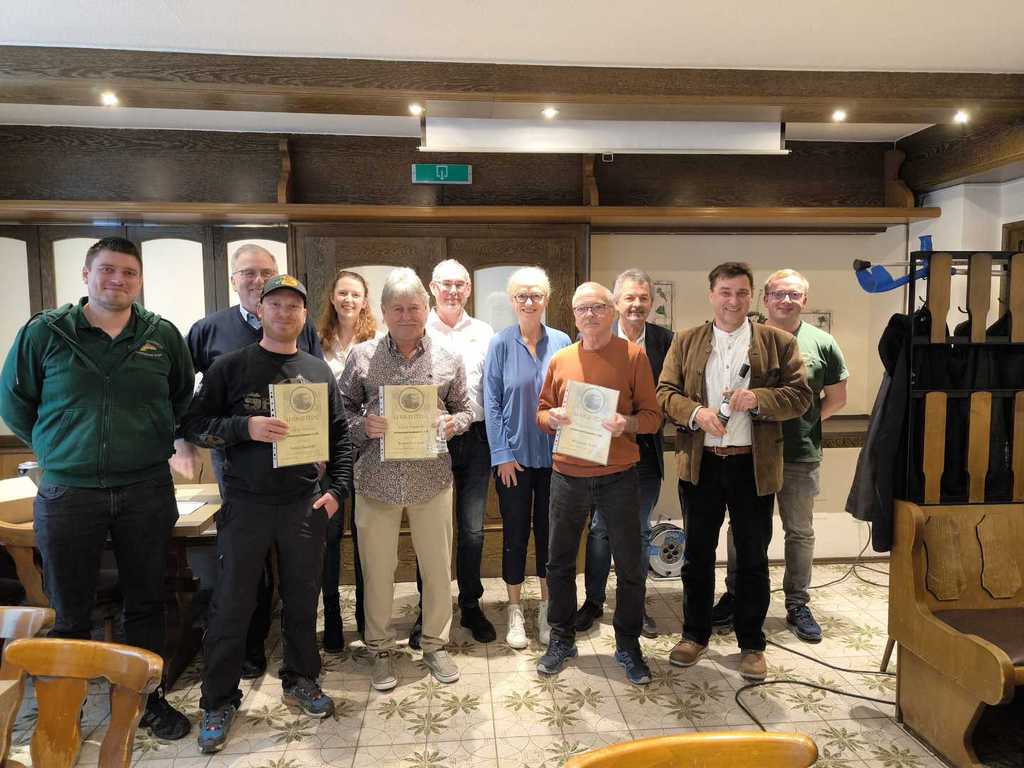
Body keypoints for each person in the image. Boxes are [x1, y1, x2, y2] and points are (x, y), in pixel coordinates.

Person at [0, 236, 195, 740]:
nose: (118, 280)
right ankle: (66, 707)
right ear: (87, 275)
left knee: (146, 602)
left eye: (129, 272)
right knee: (70, 609)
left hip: (145, 489)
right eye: (107, 269)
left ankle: (148, 700)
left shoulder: (161, 335)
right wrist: (59, 445)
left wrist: (150, 439)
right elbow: (15, 403)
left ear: (139, 281)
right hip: (69, 493)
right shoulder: (46, 333)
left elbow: (180, 398)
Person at [181, 275, 352, 754]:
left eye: (293, 306)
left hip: (303, 505)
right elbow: (193, 424)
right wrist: (246, 427)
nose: (284, 312)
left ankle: (301, 678)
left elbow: (340, 436)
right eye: (275, 304)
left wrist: (336, 490)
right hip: (246, 505)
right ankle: (218, 700)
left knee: (302, 598)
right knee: (232, 603)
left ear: (304, 315)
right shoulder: (230, 367)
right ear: (259, 310)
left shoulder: (317, 371)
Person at [172, 243, 322, 680]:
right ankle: (246, 654)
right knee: (242, 573)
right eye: (249, 273)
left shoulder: (307, 342)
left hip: (297, 476)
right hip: (240, 474)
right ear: (234, 280)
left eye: (266, 273)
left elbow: (314, 395)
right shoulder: (210, 334)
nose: (258, 281)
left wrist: (324, 465)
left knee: (297, 577)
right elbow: (184, 399)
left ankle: (297, 666)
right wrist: (183, 438)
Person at [657, 262, 811, 682]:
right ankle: (694, 635)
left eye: (742, 293)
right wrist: (697, 413)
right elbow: (665, 394)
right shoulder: (686, 341)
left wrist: (758, 399)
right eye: (725, 292)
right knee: (697, 556)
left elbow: (800, 396)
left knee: (752, 558)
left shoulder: (778, 342)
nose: (733, 300)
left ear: (752, 296)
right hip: (702, 465)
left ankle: (752, 643)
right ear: (712, 295)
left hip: (752, 467)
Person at [339, 268, 473, 692]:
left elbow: (466, 410)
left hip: (431, 480)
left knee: (436, 568)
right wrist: (363, 426)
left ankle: (435, 644)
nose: (406, 315)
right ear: (382, 311)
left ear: (426, 308)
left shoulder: (449, 358)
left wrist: (452, 424)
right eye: (397, 308)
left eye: (414, 307)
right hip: (376, 481)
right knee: (378, 570)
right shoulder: (361, 357)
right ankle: (380, 649)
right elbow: (341, 411)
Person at [711, 269, 848, 642]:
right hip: (751, 452)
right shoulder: (746, 338)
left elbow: (837, 398)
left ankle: (797, 603)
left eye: (794, 294)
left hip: (800, 454)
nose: (786, 300)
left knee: (799, 531)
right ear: (765, 299)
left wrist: (805, 421)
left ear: (805, 300)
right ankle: (736, 594)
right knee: (743, 529)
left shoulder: (822, 342)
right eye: (778, 294)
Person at [535, 282, 661, 686]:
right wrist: (551, 418)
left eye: (598, 307)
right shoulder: (561, 359)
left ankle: (627, 644)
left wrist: (628, 423)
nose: (590, 314)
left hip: (618, 476)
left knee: (629, 564)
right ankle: (561, 638)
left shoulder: (634, 356)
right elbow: (541, 413)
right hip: (567, 475)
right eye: (582, 308)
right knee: (558, 562)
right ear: (573, 315)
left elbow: (653, 417)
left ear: (612, 311)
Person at [403, 259, 496, 647]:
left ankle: (470, 605)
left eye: (460, 284)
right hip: (431, 441)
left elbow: (493, 388)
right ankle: (429, 608)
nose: (453, 291)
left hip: (476, 439)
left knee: (472, 530)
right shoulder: (418, 331)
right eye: (446, 284)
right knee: (430, 531)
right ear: (432, 288)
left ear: (469, 289)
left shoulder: (485, 333)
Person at [576, 269, 673, 639]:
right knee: (600, 529)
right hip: (601, 453)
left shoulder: (667, 342)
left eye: (643, 298)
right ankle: (594, 601)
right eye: (629, 298)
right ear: (615, 303)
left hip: (645, 454)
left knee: (639, 532)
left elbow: (670, 396)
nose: (636, 305)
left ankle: (634, 604)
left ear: (651, 302)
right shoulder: (592, 337)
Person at [483, 267, 571, 648]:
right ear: (512, 301)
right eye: (522, 295)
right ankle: (516, 609)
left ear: (546, 299)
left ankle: (548, 609)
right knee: (515, 536)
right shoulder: (500, 344)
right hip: (513, 462)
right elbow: (492, 402)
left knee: (550, 537)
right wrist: (501, 454)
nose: (529, 301)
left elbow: (570, 396)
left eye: (536, 294)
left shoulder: (563, 341)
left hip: (556, 460)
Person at [316, 269, 377, 652]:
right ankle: (334, 615)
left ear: (365, 300)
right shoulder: (315, 341)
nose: (349, 300)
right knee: (329, 536)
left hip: (367, 449)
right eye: (343, 293)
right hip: (326, 452)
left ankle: (366, 615)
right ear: (332, 297)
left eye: (356, 294)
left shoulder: (378, 342)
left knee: (366, 535)